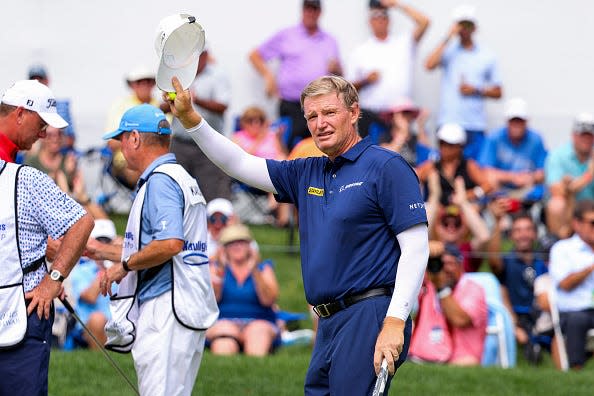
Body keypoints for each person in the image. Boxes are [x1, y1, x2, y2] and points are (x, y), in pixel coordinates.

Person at [167, 74, 429, 395]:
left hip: (370, 313)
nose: (320, 123)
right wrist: (192, 120)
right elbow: (237, 162)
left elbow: (416, 248)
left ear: (354, 112)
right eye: (312, 116)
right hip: (328, 321)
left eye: (329, 113)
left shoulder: (386, 166)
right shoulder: (307, 170)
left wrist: (394, 322)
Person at [95, 104, 219, 396]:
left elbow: (169, 243)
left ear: (135, 138)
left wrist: (121, 267)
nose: (121, 146)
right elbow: (155, 244)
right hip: (184, 304)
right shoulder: (179, 177)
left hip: (166, 309)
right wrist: (100, 251)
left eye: (122, 138)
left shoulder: (160, 181)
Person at [0, 79, 94, 395]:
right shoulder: (24, 176)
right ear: (20, 114)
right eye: (41, 124)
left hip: (22, 314)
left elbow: (81, 224)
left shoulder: (23, 174)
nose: (43, 134)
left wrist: (53, 277)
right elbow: (82, 222)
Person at [248, 0, 342, 151]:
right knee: (291, 149)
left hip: (320, 104)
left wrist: (337, 69)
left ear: (320, 12)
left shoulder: (330, 40)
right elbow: (254, 56)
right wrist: (268, 76)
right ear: (302, 10)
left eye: (314, 9)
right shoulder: (286, 35)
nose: (310, 13)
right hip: (292, 104)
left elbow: (340, 74)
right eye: (308, 8)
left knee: (320, 148)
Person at [424, 4, 503, 161]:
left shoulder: (487, 55)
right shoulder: (448, 51)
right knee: (446, 170)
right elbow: (429, 64)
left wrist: (476, 90)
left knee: (475, 169)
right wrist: (448, 36)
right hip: (449, 120)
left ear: (474, 27)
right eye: (461, 24)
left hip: (475, 124)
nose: (464, 29)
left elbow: (498, 91)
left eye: (468, 25)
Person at [347, 0, 429, 138]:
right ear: (369, 21)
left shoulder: (403, 43)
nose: (379, 19)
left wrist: (396, 5)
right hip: (371, 117)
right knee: (372, 157)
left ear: (389, 19)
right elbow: (348, 89)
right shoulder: (359, 51)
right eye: (375, 15)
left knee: (401, 157)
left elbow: (424, 22)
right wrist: (365, 80)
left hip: (400, 117)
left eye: (383, 15)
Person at [169, 44, 233, 202]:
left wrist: (196, 100)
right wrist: (173, 100)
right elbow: (163, 105)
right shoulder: (177, 75)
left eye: (197, 55)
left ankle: (214, 226)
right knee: (176, 192)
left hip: (207, 144)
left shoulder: (218, 75)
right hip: (180, 143)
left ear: (205, 56)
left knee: (211, 194)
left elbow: (222, 106)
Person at [206, 224, 280, 356]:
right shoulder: (215, 269)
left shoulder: (264, 269)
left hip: (259, 321)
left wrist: (255, 271)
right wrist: (221, 270)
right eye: (231, 243)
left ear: (249, 246)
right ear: (224, 248)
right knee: (224, 341)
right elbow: (212, 299)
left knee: (257, 337)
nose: (237, 246)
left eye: (241, 242)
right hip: (224, 321)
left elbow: (268, 301)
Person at [409, 243, 488, 365]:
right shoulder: (428, 286)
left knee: (468, 362)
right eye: (441, 264)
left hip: (461, 359)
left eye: (449, 263)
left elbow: (460, 319)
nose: (444, 269)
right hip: (421, 357)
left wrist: (441, 288)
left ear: (460, 265)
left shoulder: (473, 288)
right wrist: (424, 247)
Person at [487, 206, 547, 361]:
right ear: (512, 235)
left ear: (534, 233)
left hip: (541, 317)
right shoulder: (507, 261)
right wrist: (497, 223)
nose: (523, 234)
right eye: (518, 230)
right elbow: (493, 261)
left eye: (527, 229)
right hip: (516, 319)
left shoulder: (542, 263)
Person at [548, 199, 594, 370]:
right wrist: (590, 268)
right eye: (592, 222)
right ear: (577, 223)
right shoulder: (562, 249)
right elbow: (565, 283)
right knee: (577, 320)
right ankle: (575, 371)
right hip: (573, 311)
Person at [104, 66, 162, 190]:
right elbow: (111, 143)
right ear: (132, 85)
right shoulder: (119, 106)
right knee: (148, 175)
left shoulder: (162, 106)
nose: (144, 85)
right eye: (139, 82)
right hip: (127, 161)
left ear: (153, 84)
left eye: (148, 81)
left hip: (157, 161)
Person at [479, 98, 548, 202]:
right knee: (490, 181)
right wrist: (513, 177)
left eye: (520, 121)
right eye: (513, 121)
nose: (516, 125)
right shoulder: (494, 138)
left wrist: (530, 178)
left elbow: (543, 170)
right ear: (507, 121)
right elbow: (485, 171)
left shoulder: (536, 139)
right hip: (500, 190)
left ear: (526, 121)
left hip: (527, 192)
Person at [68, 219, 116, 350]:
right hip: (88, 328)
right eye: (99, 241)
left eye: (107, 241)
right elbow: (90, 297)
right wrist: (105, 271)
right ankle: (101, 361)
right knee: (97, 319)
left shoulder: (121, 269)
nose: (103, 245)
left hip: (120, 324)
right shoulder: (81, 270)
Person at [417, 123, 493, 206]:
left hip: (462, 212)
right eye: (442, 143)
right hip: (437, 212)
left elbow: (487, 186)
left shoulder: (468, 165)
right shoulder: (431, 165)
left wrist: (469, 195)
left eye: (450, 145)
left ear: (460, 147)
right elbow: (414, 180)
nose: (444, 148)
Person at [545, 113, 594, 239]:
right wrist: (588, 176)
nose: (586, 140)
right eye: (582, 135)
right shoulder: (558, 155)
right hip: (570, 210)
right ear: (573, 135)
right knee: (556, 205)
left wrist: (572, 185)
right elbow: (557, 191)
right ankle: (557, 246)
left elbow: (568, 187)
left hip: (592, 208)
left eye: (590, 136)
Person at [379, 97, 433, 168]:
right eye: (402, 113)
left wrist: (421, 125)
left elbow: (428, 155)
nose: (406, 116)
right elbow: (385, 157)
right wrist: (403, 132)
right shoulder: (385, 137)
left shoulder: (415, 137)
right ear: (392, 116)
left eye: (408, 112)